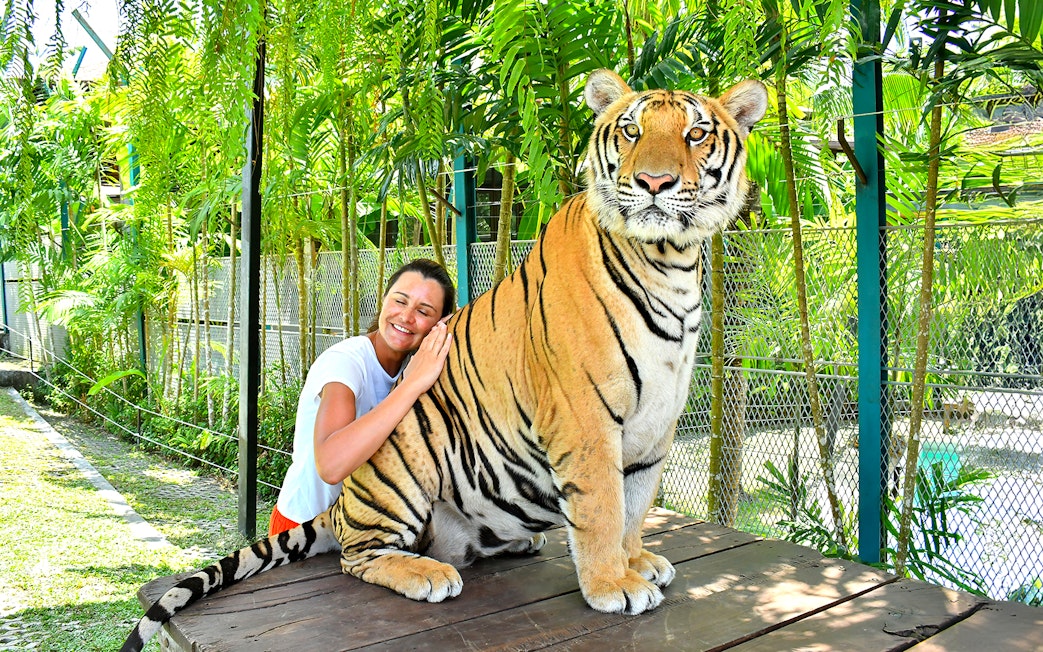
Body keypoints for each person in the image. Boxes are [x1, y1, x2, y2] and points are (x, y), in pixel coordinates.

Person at [269, 258, 456, 536]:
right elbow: (331, 466)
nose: (406, 317)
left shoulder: (415, 367)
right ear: (383, 300)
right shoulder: (345, 362)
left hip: (366, 531)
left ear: (438, 324)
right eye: (400, 301)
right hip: (303, 530)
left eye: (423, 311)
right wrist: (411, 385)